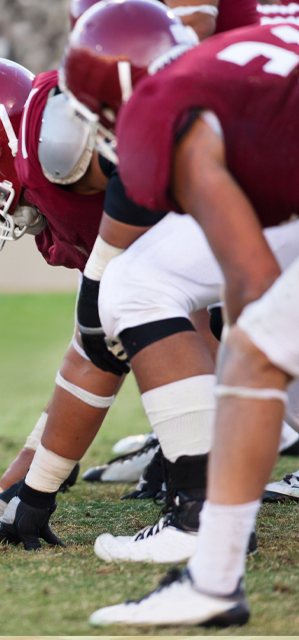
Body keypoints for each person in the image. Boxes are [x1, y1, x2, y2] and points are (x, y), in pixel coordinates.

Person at [58, 1, 299, 625]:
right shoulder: (251, 48)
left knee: (253, 353)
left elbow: (251, 277)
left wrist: (246, 389)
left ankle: (212, 577)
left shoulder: (161, 106)